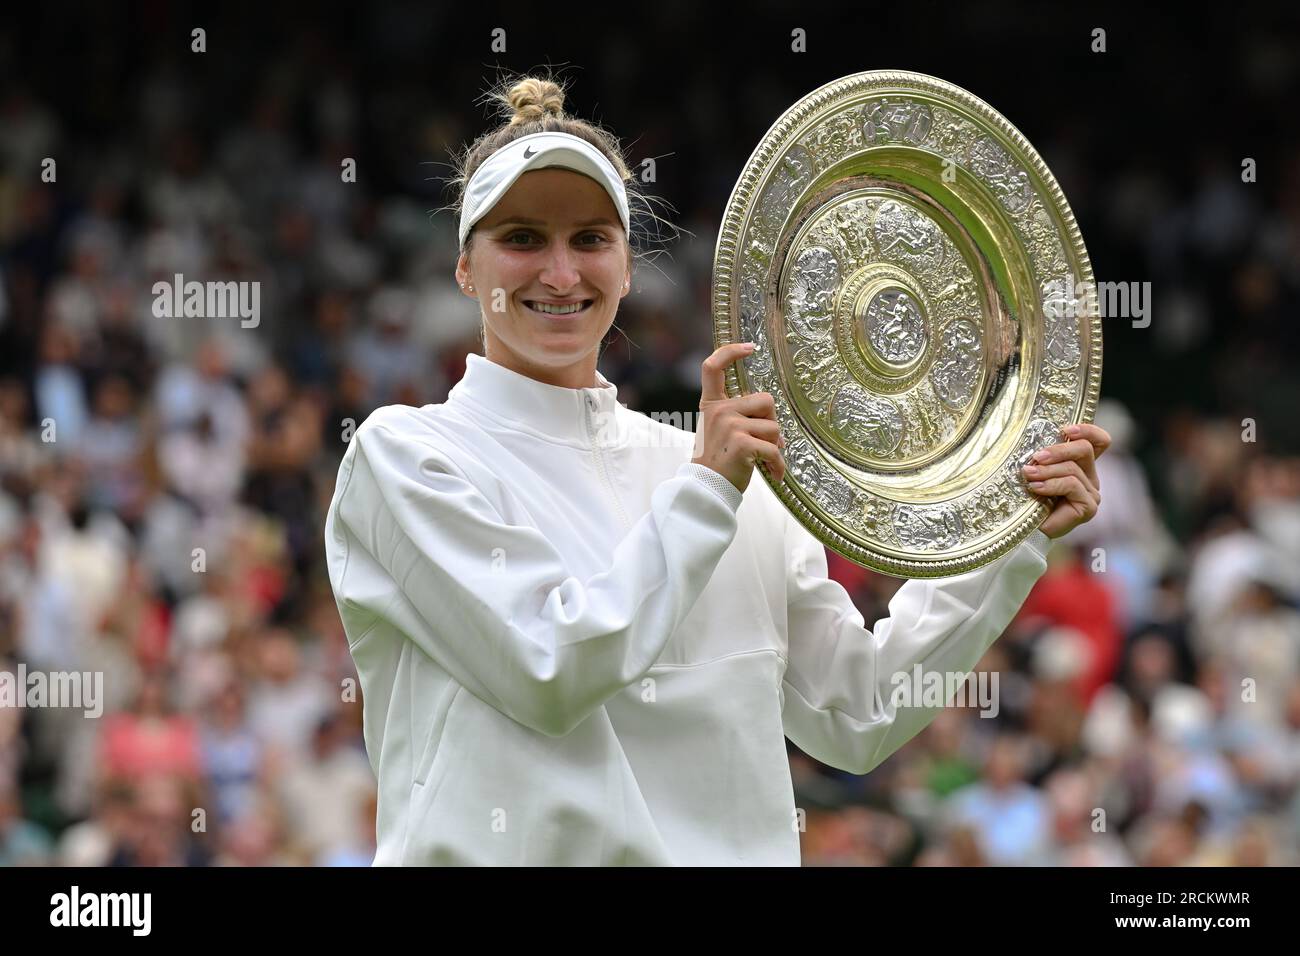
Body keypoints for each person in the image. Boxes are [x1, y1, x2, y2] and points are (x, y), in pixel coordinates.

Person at [322, 75, 1109, 865]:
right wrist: (708, 491)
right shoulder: (405, 457)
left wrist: (1009, 535)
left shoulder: (722, 473)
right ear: (466, 270)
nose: (560, 274)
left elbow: (859, 712)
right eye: (522, 238)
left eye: (591, 239)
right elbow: (549, 666)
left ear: (628, 267)